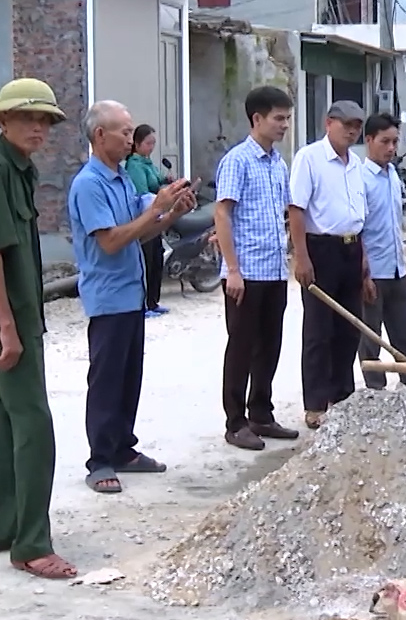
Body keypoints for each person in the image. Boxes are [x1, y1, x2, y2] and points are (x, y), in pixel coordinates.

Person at [0, 77, 72, 580]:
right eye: (27, 117)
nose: (38, 127)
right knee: (33, 427)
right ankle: (30, 543)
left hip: (10, 315)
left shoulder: (18, 169)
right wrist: (3, 324)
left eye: (44, 119)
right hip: (12, 322)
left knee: (4, 419)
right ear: (3, 120)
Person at [68, 101, 195, 495]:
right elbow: (110, 241)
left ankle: (123, 448)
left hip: (130, 295)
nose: (130, 137)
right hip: (107, 297)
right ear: (99, 135)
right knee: (106, 381)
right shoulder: (89, 184)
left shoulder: (122, 178)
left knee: (128, 378)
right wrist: (155, 208)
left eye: (129, 131)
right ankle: (100, 459)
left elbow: (142, 234)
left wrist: (172, 211)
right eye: (123, 131)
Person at [215, 85, 299, 452]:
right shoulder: (237, 160)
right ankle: (235, 422)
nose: (284, 125)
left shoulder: (278, 163)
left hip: (274, 271)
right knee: (242, 347)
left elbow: (281, 213)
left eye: (287, 118)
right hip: (245, 273)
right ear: (257, 119)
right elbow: (223, 212)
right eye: (278, 118)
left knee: (270, 345)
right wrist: (232, 269)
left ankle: (261, 413)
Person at [289, 100, 370, 429]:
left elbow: (357, 217)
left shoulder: (357, 164)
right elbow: (296, 209)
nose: (351, 130)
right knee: (319, 330)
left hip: (351, 248)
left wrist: (363, 261)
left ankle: (342, 394)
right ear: (328, 123)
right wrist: (301, 255)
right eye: (345, 124)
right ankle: (315, 403)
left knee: (349, 328)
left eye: (357, 126)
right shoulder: (309, 158)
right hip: (320, 249)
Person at [359, 112, 406, 390]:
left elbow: (393, 224)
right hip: (372, 273)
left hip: (396, 270)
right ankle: (376, 394)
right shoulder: (359, 178)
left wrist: (403, 264)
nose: (391, 148)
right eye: (385, 142)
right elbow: (357, 229)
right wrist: (364, 275)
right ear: (369, 140)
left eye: (395, 142)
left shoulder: (393, 174)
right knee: (370, 340)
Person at [124, 124, 169, 316]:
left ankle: (153, 301)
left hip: (156, 215)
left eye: (153, 143)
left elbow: (157, 181)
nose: (151, 147)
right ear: (137, 144)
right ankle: (143, 303)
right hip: (146, 216)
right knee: (147, 260)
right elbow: (142, 192)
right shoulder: (134, 165)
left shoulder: (148, 163)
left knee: (157, 258)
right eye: (148, 143)